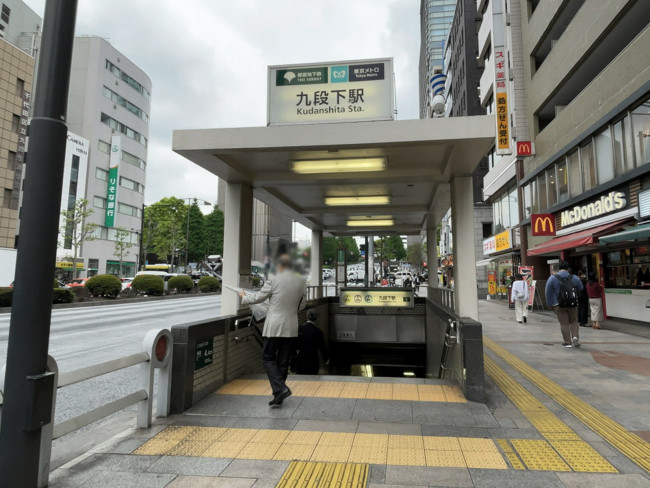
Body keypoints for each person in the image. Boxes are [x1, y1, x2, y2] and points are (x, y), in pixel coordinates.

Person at [239, 255, 306, 407]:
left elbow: (259, 297)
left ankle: (280, 389)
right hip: (291, 327)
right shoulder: (302, 281)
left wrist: (244, 297)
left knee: (268, 358)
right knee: (283, 362)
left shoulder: (274, 278)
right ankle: (279, 394)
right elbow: (302, 305)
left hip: (274, 326)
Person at [545, 261, 583, 348]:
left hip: (558, 304)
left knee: (564, 323)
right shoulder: (575, 278)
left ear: (559, 268)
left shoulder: (552, 278)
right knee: (574, 321)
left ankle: (567, 342)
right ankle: (575, 337)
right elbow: (581, 288)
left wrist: (550, 304)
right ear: (568, 268)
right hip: (573, 303)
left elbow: (548, 292)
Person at [292, 309, 328, 375]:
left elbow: (295, 343)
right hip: (313, 361)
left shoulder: (300, 328)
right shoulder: (318, 332)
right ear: (316, 318)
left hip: (301, 360)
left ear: (307, 316)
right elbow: (322, 347)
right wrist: (326, 359)